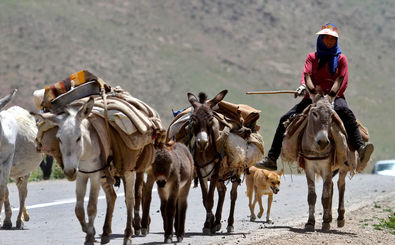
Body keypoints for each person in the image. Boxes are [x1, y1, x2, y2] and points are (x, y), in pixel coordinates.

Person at [256, 23, 374, 171]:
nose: (329, 41)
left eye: (332, 39)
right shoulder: (312, 57)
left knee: (347, 114)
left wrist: (331, 96)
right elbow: (306, 75)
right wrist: (303, 87)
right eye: (326, 38)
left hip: (334, 97)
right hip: (312, 98)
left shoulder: (342, 59)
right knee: (284, 119)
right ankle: (272, 158)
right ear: (320, 39)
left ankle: (360, 148)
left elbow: (343, 81)